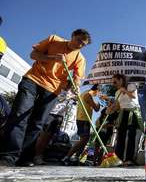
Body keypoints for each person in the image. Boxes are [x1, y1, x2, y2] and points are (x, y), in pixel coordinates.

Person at [0, 29, 91, 167]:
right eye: (79, 40)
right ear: (72, 36)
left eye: (83, 44)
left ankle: (24, 156)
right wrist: (52, 58)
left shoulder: (80, 59)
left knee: (38, 122)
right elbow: (33, 54)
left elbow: (77, 79)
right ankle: (8, 155)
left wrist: (75, 86)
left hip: (53, 89)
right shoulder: (54, 39)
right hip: (32, 80)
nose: (80, 45)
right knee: (19, 114)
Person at [33, 90, 77, 165]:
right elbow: (59, 99)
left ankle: (40, 155)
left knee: (50, 135)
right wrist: (70, 96)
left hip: (60, 114)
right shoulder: (62, 86)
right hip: (52, 112)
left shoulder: (73, 90)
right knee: (45, 134)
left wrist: (74, 97)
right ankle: (36, 155)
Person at [61, 84, 102, 165]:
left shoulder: (84, 93)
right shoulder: (88, 95)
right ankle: (67, 157)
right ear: (97, 90)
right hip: (84, 119)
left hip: (82, 119)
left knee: (85, 140)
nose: (98, 94)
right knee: (83, 139)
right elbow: (96, 109)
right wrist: (99, 104)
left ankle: (76, 157)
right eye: (99, 92)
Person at [112, 74, 143, 166]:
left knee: (131, 135)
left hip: (132, 112)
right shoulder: (117, 92)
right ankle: (119, 158)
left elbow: (133, 96)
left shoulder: (131, 86)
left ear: (121, 80)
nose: (113, 84)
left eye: (115, 82)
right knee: (120, 135)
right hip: (122, 113)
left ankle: (129, 159)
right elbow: (118, 106)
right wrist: (111, 108)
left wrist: (124, 90)